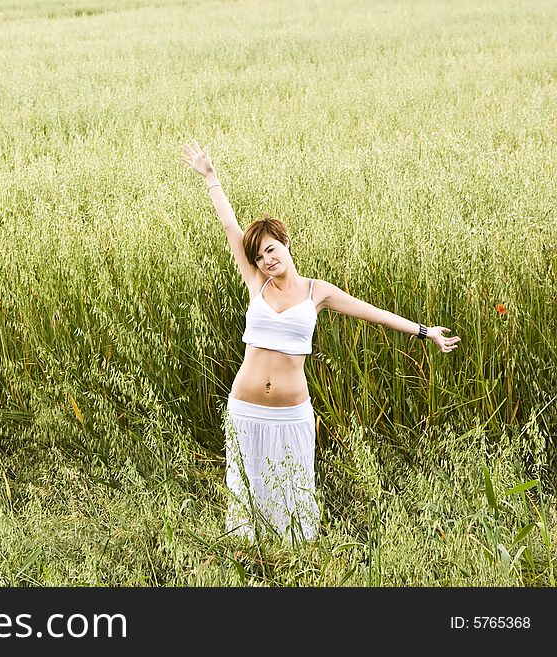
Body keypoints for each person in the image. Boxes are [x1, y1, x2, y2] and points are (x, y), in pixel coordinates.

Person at [181, 141, 461, 543]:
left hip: (291, 413)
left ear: (286, 243)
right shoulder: (256, 285)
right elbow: (230, 227)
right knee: (248, 491)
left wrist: (425, 331)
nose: (267, 260)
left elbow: (373, 312)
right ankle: (250, 561)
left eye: (272, 250)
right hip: (245, 410)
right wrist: (211, 177)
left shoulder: (318, 292)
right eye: (259, 256)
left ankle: (295, 562)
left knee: (294, 492)